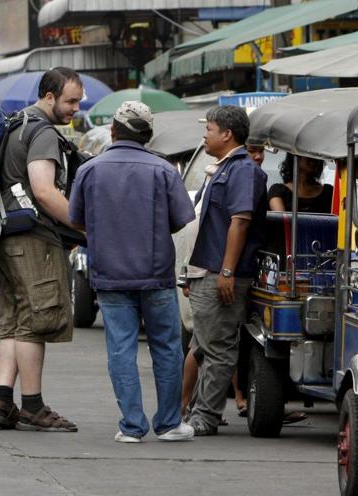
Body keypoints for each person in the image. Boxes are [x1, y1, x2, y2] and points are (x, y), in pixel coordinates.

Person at [69, 101, 196, 443]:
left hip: (110, 273)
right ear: (149, 135)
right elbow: (182, 219)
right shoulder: (164, 170)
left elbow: (76, 218)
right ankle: (169, 424)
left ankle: (132, 426)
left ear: (113, 130)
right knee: (167, 348)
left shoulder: (90, 170)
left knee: (120, 349)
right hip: (155, 274)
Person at [0, 66, 83, 433]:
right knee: (36, 321)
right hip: (32, 238)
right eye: (70, 100)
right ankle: (33, 405)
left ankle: (2, 401)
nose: (75, 107)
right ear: (49, 97)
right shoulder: (42, 132)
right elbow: (44, 191)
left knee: (14, 319)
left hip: (4, 235)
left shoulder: (16, 124)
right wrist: (82, 225)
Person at [184, 105, 267, 437]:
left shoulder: (243, 170)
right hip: (208, 268)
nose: (205, 134)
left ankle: (205, 415)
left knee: (217, 348)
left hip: (224, 271)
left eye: (210, 128)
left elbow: (240, 221)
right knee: (205, 344)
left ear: (226, 134)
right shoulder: (223, 168)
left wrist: (228, 271)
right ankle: (198, 411)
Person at [269, 153, 333, 213]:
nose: (315, 157)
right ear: (295, 155)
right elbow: (282, 221)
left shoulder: (329, 192)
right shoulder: (278, 191)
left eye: (317, 153)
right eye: (309, 152)